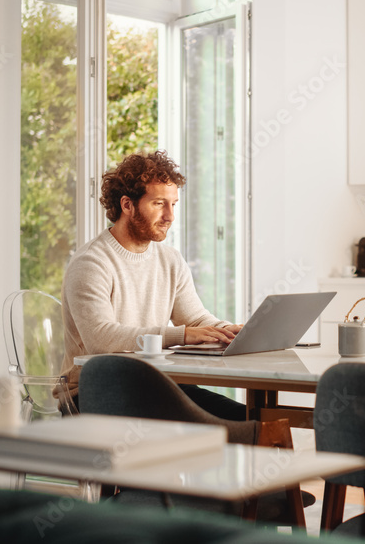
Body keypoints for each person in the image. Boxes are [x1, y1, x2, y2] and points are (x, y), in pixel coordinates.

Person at [58, 150, 245, 419]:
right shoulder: (90, 263)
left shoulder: (170, 259)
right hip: (96, 391)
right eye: (159, 203)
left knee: (253, 421)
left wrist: (229, 331)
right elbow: (101, 339)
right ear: (127, 205)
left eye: (173, 204)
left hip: (155, 382)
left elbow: (194, 319)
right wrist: (180, 335)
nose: (169, 216)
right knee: (228, 425)